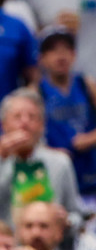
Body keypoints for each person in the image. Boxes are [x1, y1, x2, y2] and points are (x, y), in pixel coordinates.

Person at [35, 27, 96, 198]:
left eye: (66, 49)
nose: (61, 56)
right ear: (42, 59)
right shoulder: (37, 91)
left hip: (87, 169)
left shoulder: (85, 83)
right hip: (52, 170)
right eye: (53, 50)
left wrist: (91, 138)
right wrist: (47, 151)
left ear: (74, 54)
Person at [0, 89, 85, 230]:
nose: (25, 122)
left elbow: (77, 215)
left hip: (50, 248)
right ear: (4, 125)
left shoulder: (60, 162)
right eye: (17, 117)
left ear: (42, 125)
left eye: (32, 117)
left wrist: (67, 221)